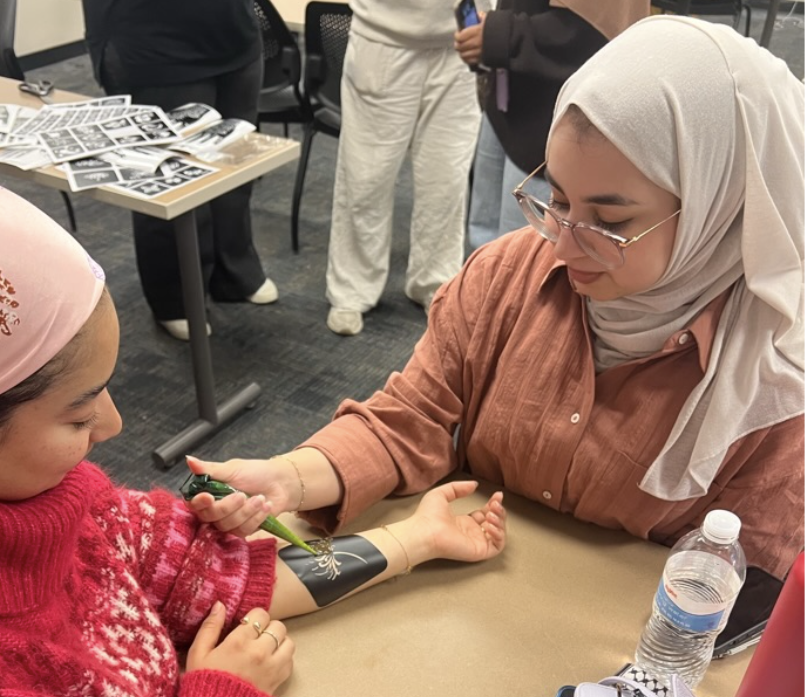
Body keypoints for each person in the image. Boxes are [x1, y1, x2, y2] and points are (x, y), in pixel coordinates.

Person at [190, 17, 805, 632]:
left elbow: (737, 595)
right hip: (457, 606)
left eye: (609, 224)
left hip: (608, 644)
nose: (562, 248)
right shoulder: (508, 275)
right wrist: (289, 479)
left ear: (719, 209)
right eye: (556, 200)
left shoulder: (776, 379)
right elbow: (413, 419)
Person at [0, 164, 506, 697]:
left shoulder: (62, 500)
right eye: (77, 414)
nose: (113, 427)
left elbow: (224, 576)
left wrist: (415, 539)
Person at [81, 0, 277, 341]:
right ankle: (176, 297)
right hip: (154, 45)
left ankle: (234, 270)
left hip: (234, 34)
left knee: (234, 166)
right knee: (169, 177)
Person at [324, 0, 481, 336]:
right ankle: (352, 288)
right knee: (366, 177)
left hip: (461, 43)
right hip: (383, 39)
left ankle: (435, 281)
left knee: (446, 179)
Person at [455, 0, 650, 248]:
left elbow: (586, 34)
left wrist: (500, 35)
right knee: (486, 242)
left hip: (553, 122)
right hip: (507, 98)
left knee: (524, 256)